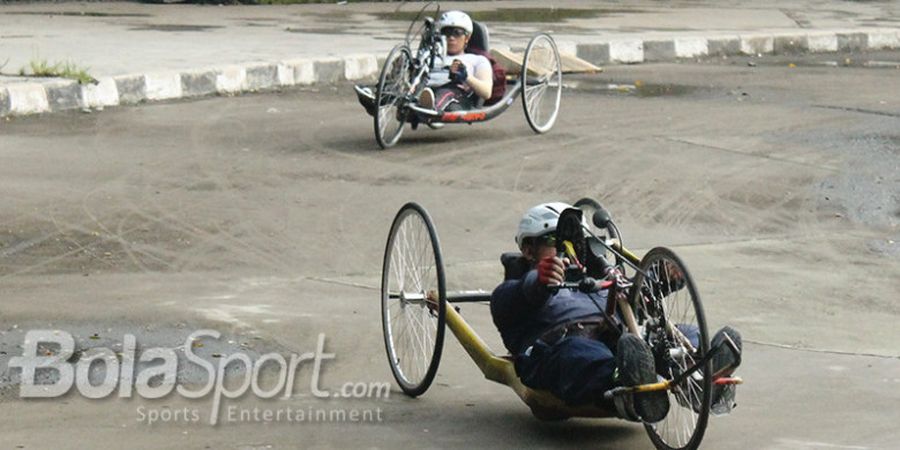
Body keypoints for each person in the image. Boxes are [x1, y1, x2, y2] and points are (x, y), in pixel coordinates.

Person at [490, 202, 742, 423]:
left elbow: (635, 298)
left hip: (623, 342)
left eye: (575, 241)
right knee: (578, 353)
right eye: (552, 241)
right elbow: (511, 301)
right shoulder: (516, 288)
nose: (566, 249)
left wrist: (664, 278)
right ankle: (626, 382)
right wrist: (540, 281)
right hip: (562, 351)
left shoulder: (597, 276)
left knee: (680, 335)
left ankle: (700, 371)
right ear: (528, 249)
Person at [418, 10, 494, 113]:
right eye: (447, 33)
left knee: (446, 93)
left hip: (457, 94)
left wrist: (466, 77)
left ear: (467, 38)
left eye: (457, 33)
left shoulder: (478, 60)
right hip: (427, 89)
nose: (451, 38)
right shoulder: (430, 56)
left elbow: (486, 92)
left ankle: (430, 108)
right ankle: (416, 104)